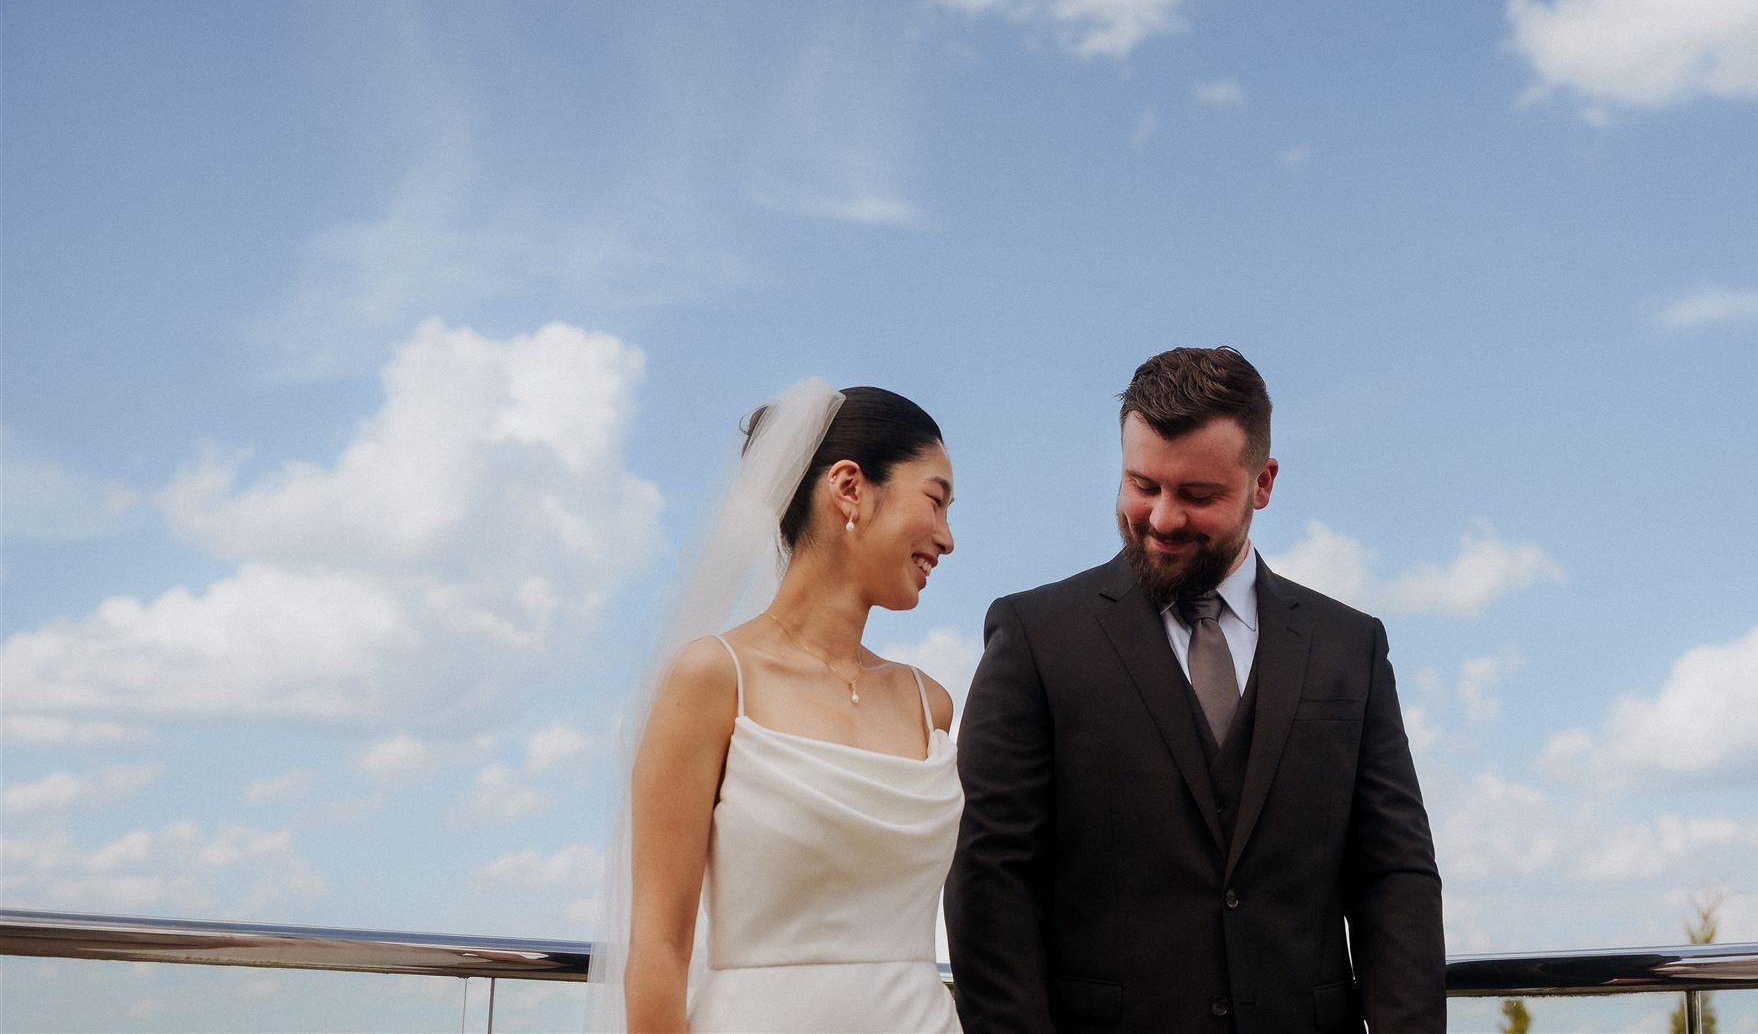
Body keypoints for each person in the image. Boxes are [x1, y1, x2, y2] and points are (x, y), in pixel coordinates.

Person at [945, 347, 1445, 1034]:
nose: (1161, 518)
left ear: (1263, 482)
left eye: (1198, 495)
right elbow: (989, 879)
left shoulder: (1349, 645)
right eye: (1141, 484)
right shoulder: (1035, 636)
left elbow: (1396, 877)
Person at [587, 381, 963, 1033]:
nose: (948, 537)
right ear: (850, 487)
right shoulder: (713, 678)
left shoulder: (928, 703)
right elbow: (659, 949)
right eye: (935, 499)